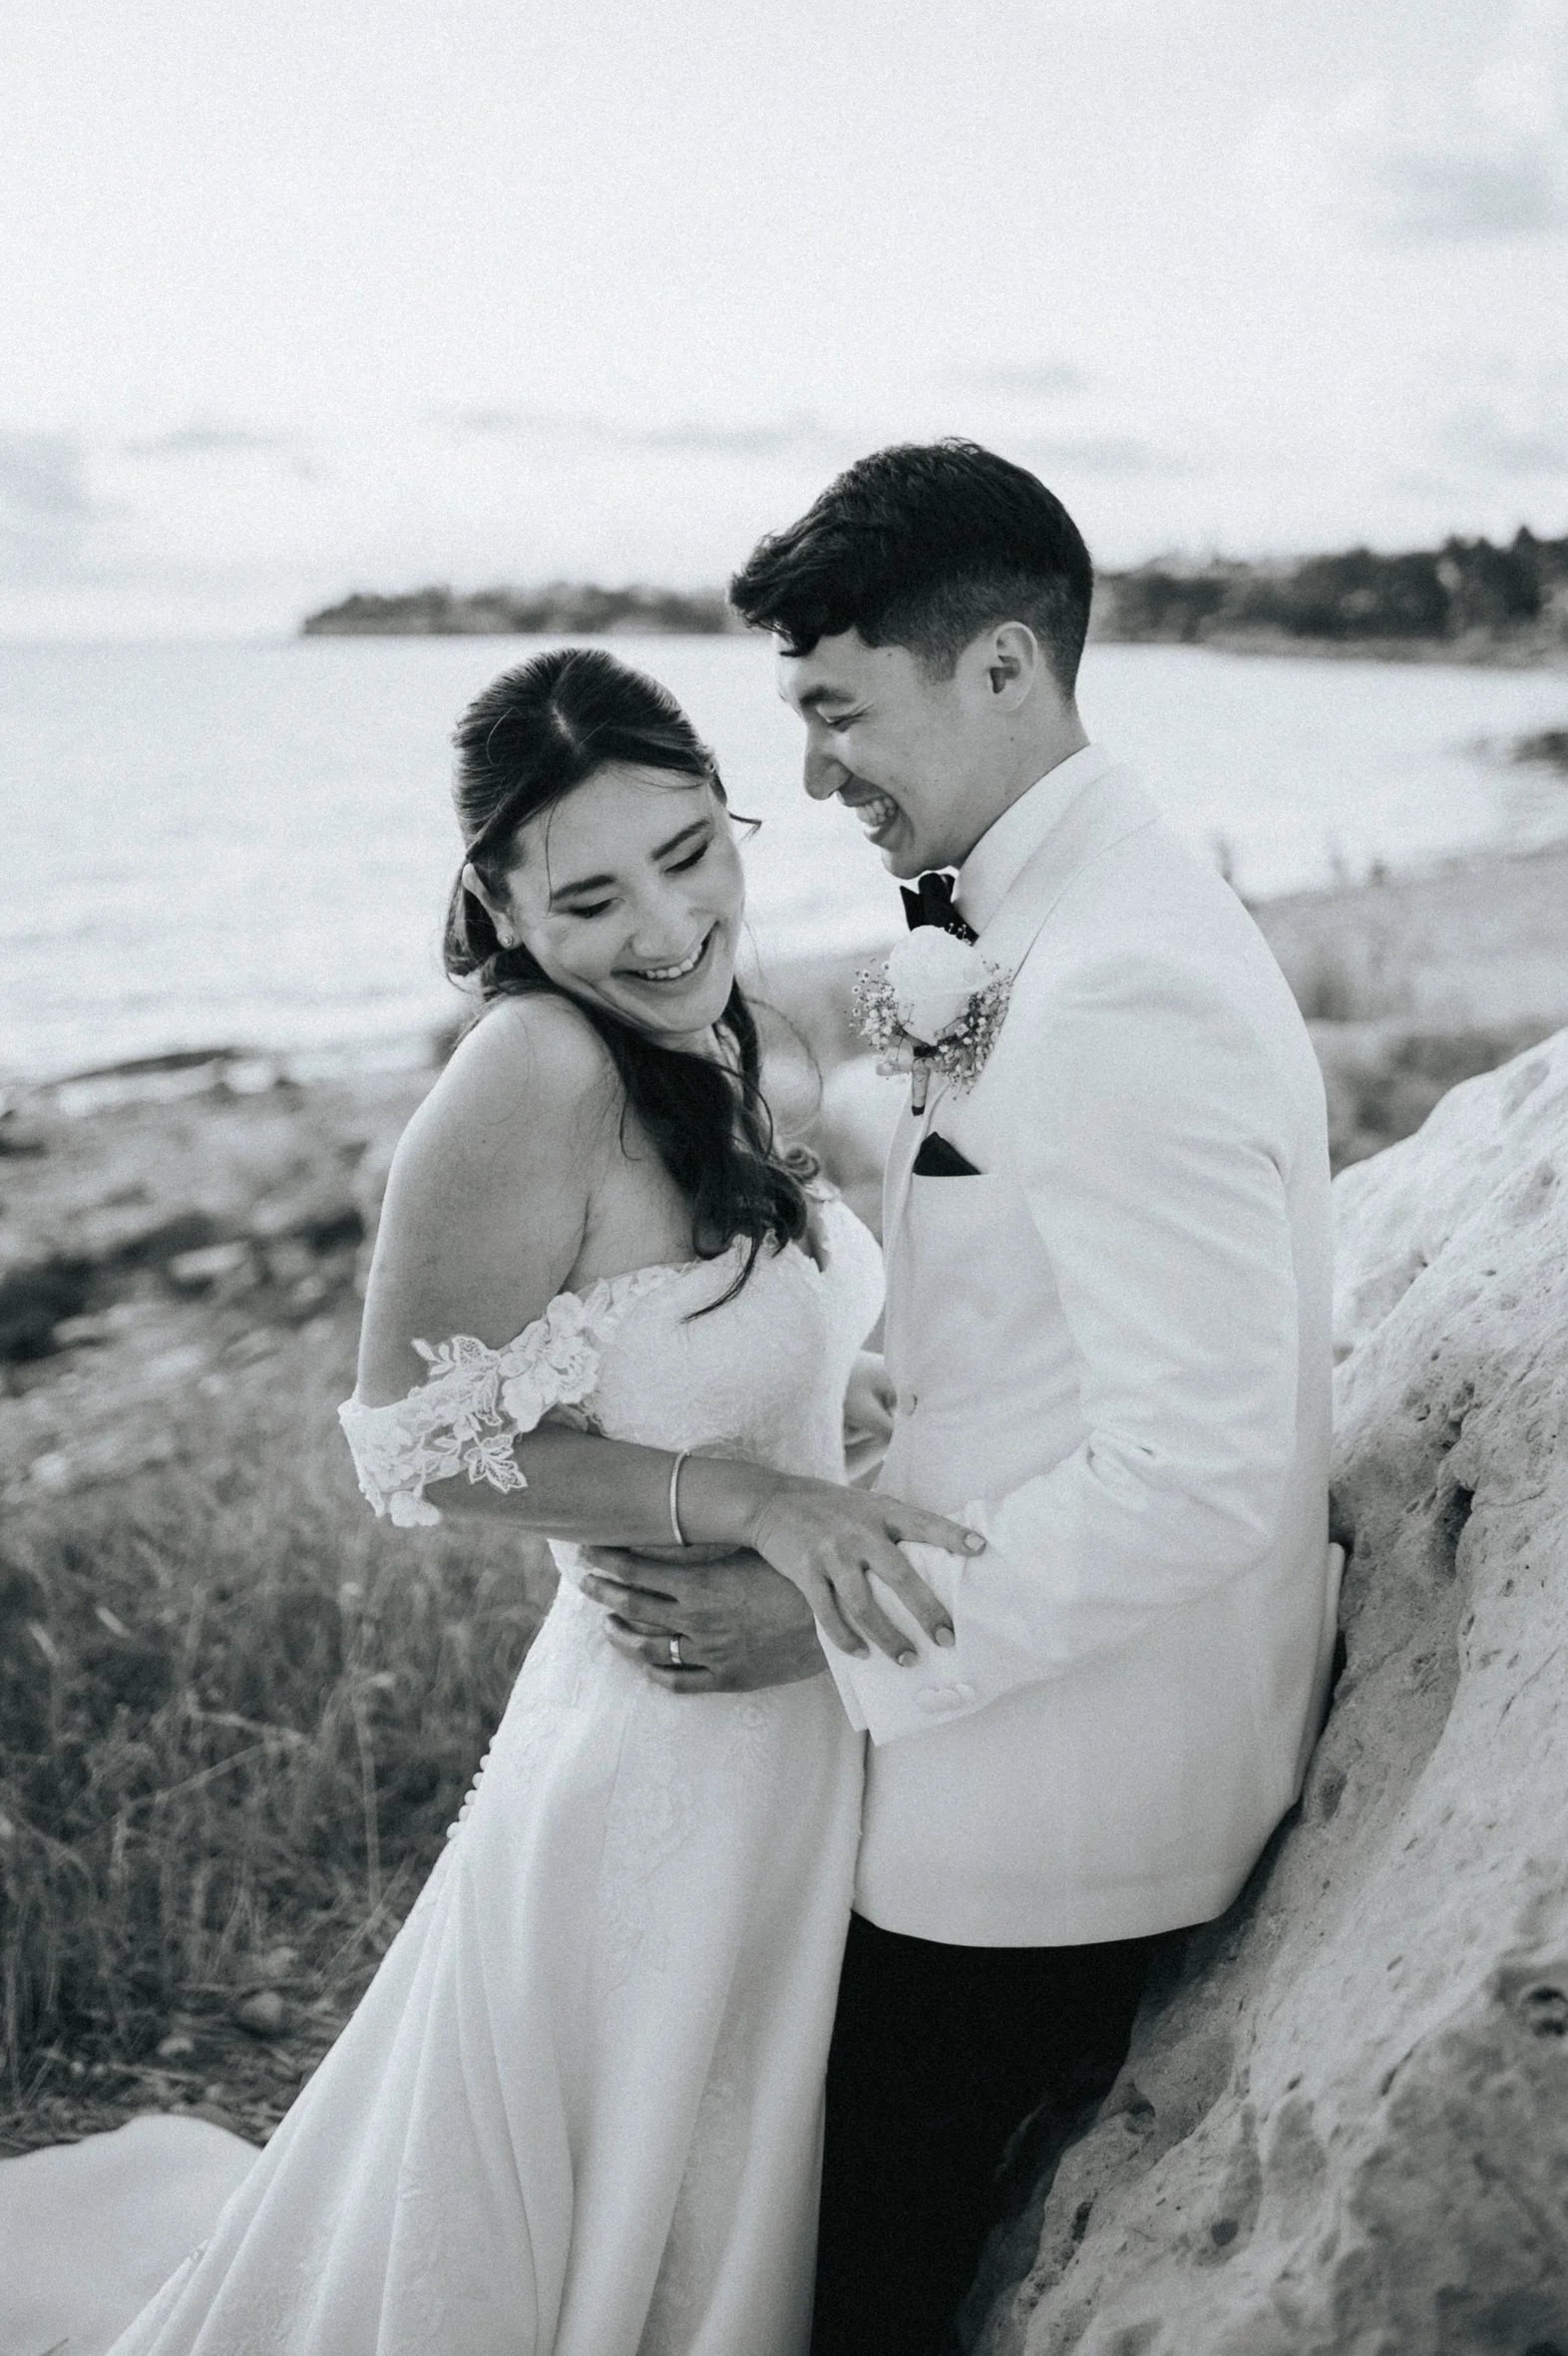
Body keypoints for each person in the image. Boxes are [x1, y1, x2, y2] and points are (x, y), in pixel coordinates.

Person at [93, 645, 981, 2356]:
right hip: (656, 1763)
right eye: (590, 895)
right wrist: (748, 1497)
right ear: (499, 903)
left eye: (689, 852)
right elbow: (412, 1443)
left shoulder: (693, 1030)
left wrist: (833, 1396)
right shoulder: (534, 1071)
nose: (665, 925)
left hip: (790, 1735)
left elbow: (664, 1328)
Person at [579, 442, 1342, 2356]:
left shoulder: (1118, 983)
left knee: (866, 2271)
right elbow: (1050, 1316)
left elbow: (1203, 1473)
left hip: (1065, 1800)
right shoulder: (1042, 913)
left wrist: (822, 1633)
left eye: (839, 710)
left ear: (1004, 667)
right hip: (1023, 1732)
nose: (816, 772)